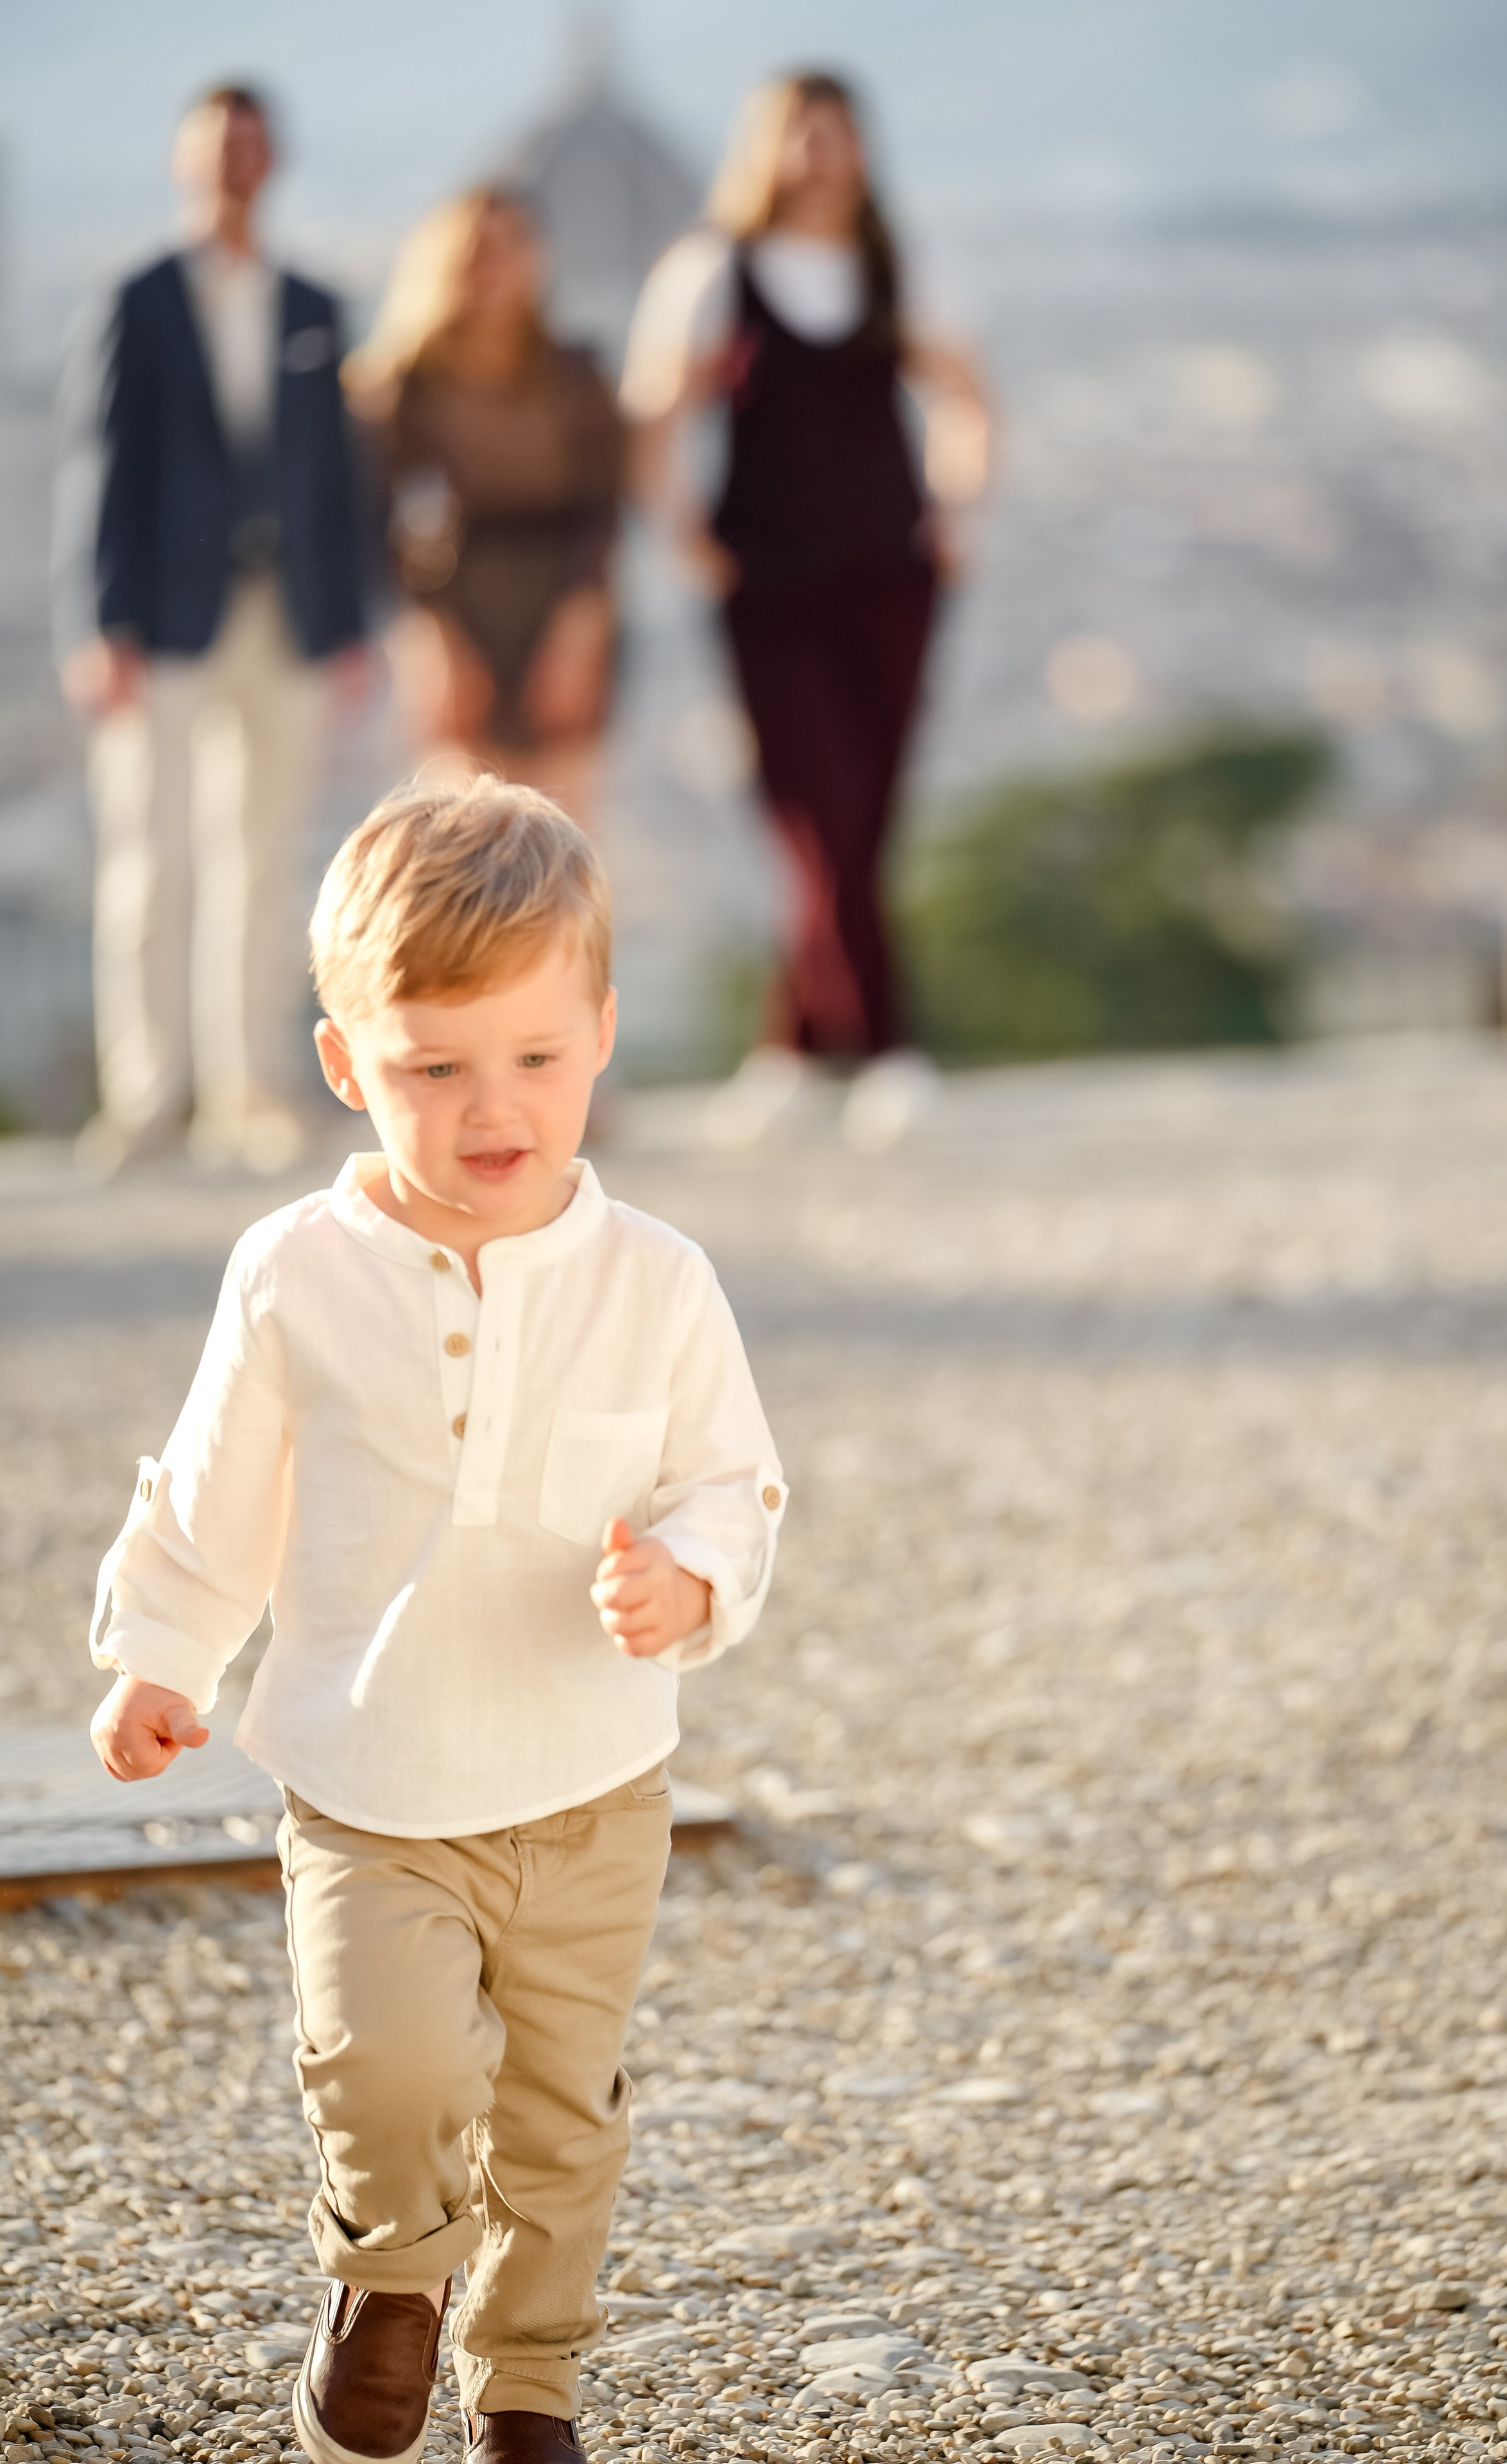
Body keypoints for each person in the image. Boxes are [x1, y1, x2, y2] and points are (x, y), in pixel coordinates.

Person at [85, 776, 787, 2464]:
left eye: (535, 1060)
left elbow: (733, 1480)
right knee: (384, 2070)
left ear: (603, 1035)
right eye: (434, 1067)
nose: (494, 1110)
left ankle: (529, 2380)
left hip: (592, 1785)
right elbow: (217, 1480)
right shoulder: (294, 1272)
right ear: (347, 1064)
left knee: (562, 2120)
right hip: (371, 1779)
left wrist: (688, 1576)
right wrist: (162, 1655)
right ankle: (391, 2279)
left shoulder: (659, 1281)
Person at [623, 69, 990, 1152]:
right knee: (814, 810)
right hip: (772, 586)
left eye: (835, 136)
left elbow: (968, 393)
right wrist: (690, 539)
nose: (818, 158)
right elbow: (656, 418)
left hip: (890, 574)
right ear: (762, 150)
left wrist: (958, 514)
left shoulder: (897, 267)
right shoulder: (711, 274)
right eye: (798, 136)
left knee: (861, 813)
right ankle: (889, 1048)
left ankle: (789, 1052)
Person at [53, 83, 370, 1176]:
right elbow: (100, 467)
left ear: (273, 159)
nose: (235, 163)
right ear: (186, 159)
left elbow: (337, 472)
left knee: (266, 861)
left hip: (286, 617)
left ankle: (254, 1087)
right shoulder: (139, 298)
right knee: (152, 863)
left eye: (250, 143)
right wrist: (101, 623)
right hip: (165, 620)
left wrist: (352, 621)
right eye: (217, 144)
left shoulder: (312, 303)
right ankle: (147, 1099)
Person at [346, 189, 626, 823]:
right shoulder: (401, 388)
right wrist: (433, 636)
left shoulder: (578, 377)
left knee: (561, 834)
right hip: (456, 607)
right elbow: (397, 525)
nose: (491, 268)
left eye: (509, 249)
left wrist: (581, 627)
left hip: (564, 603)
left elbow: (600, 510)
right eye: (475, 252)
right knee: (469, 837)